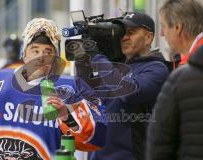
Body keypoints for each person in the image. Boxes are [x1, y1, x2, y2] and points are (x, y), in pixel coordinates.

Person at [0, 18, 106, 160]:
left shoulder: (70, 89)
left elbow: (97, 138)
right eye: (35, 50)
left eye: (47, 51)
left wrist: (67, 116)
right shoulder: (0, 79)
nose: (40, 57)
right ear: (24, 55)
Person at [87, 12, 169, 160]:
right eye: (122, 33)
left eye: (131, 33)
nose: (124, 37)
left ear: (149, 37)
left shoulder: (156, 68)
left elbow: (129, 92)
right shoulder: (114, 68)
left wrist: (98, 59)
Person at [146, 0, 203, 159]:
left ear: (178, 27)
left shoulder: (188, 72)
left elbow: (161, 140)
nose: (162, 34)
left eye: (163, 26)